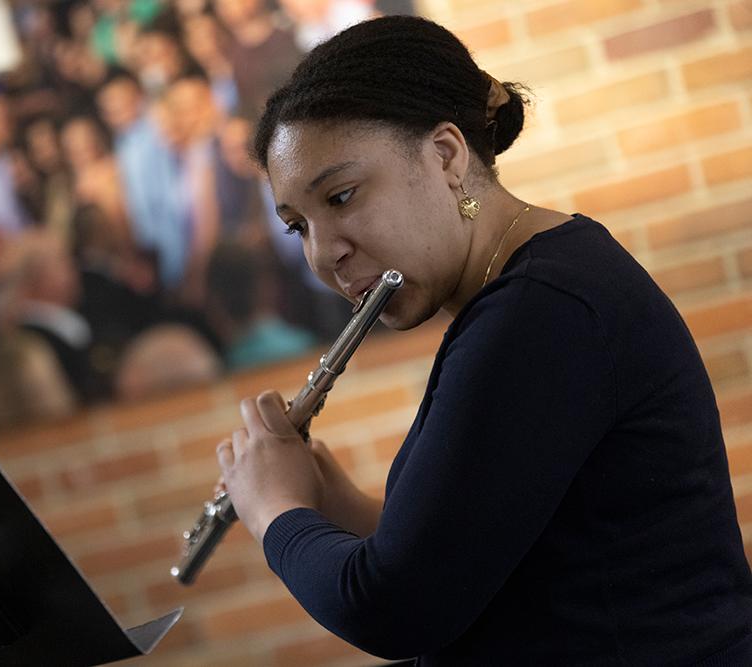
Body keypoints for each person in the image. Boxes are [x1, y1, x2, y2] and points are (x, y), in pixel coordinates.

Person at [214, 16, 752, 665]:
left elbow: (393, 608)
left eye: (343, 195)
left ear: (445, 154)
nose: (325, 253)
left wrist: (274, 509)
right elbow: (479, 554)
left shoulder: (543, 312)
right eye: (298, 224)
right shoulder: (526, 297)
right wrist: (326, 501)